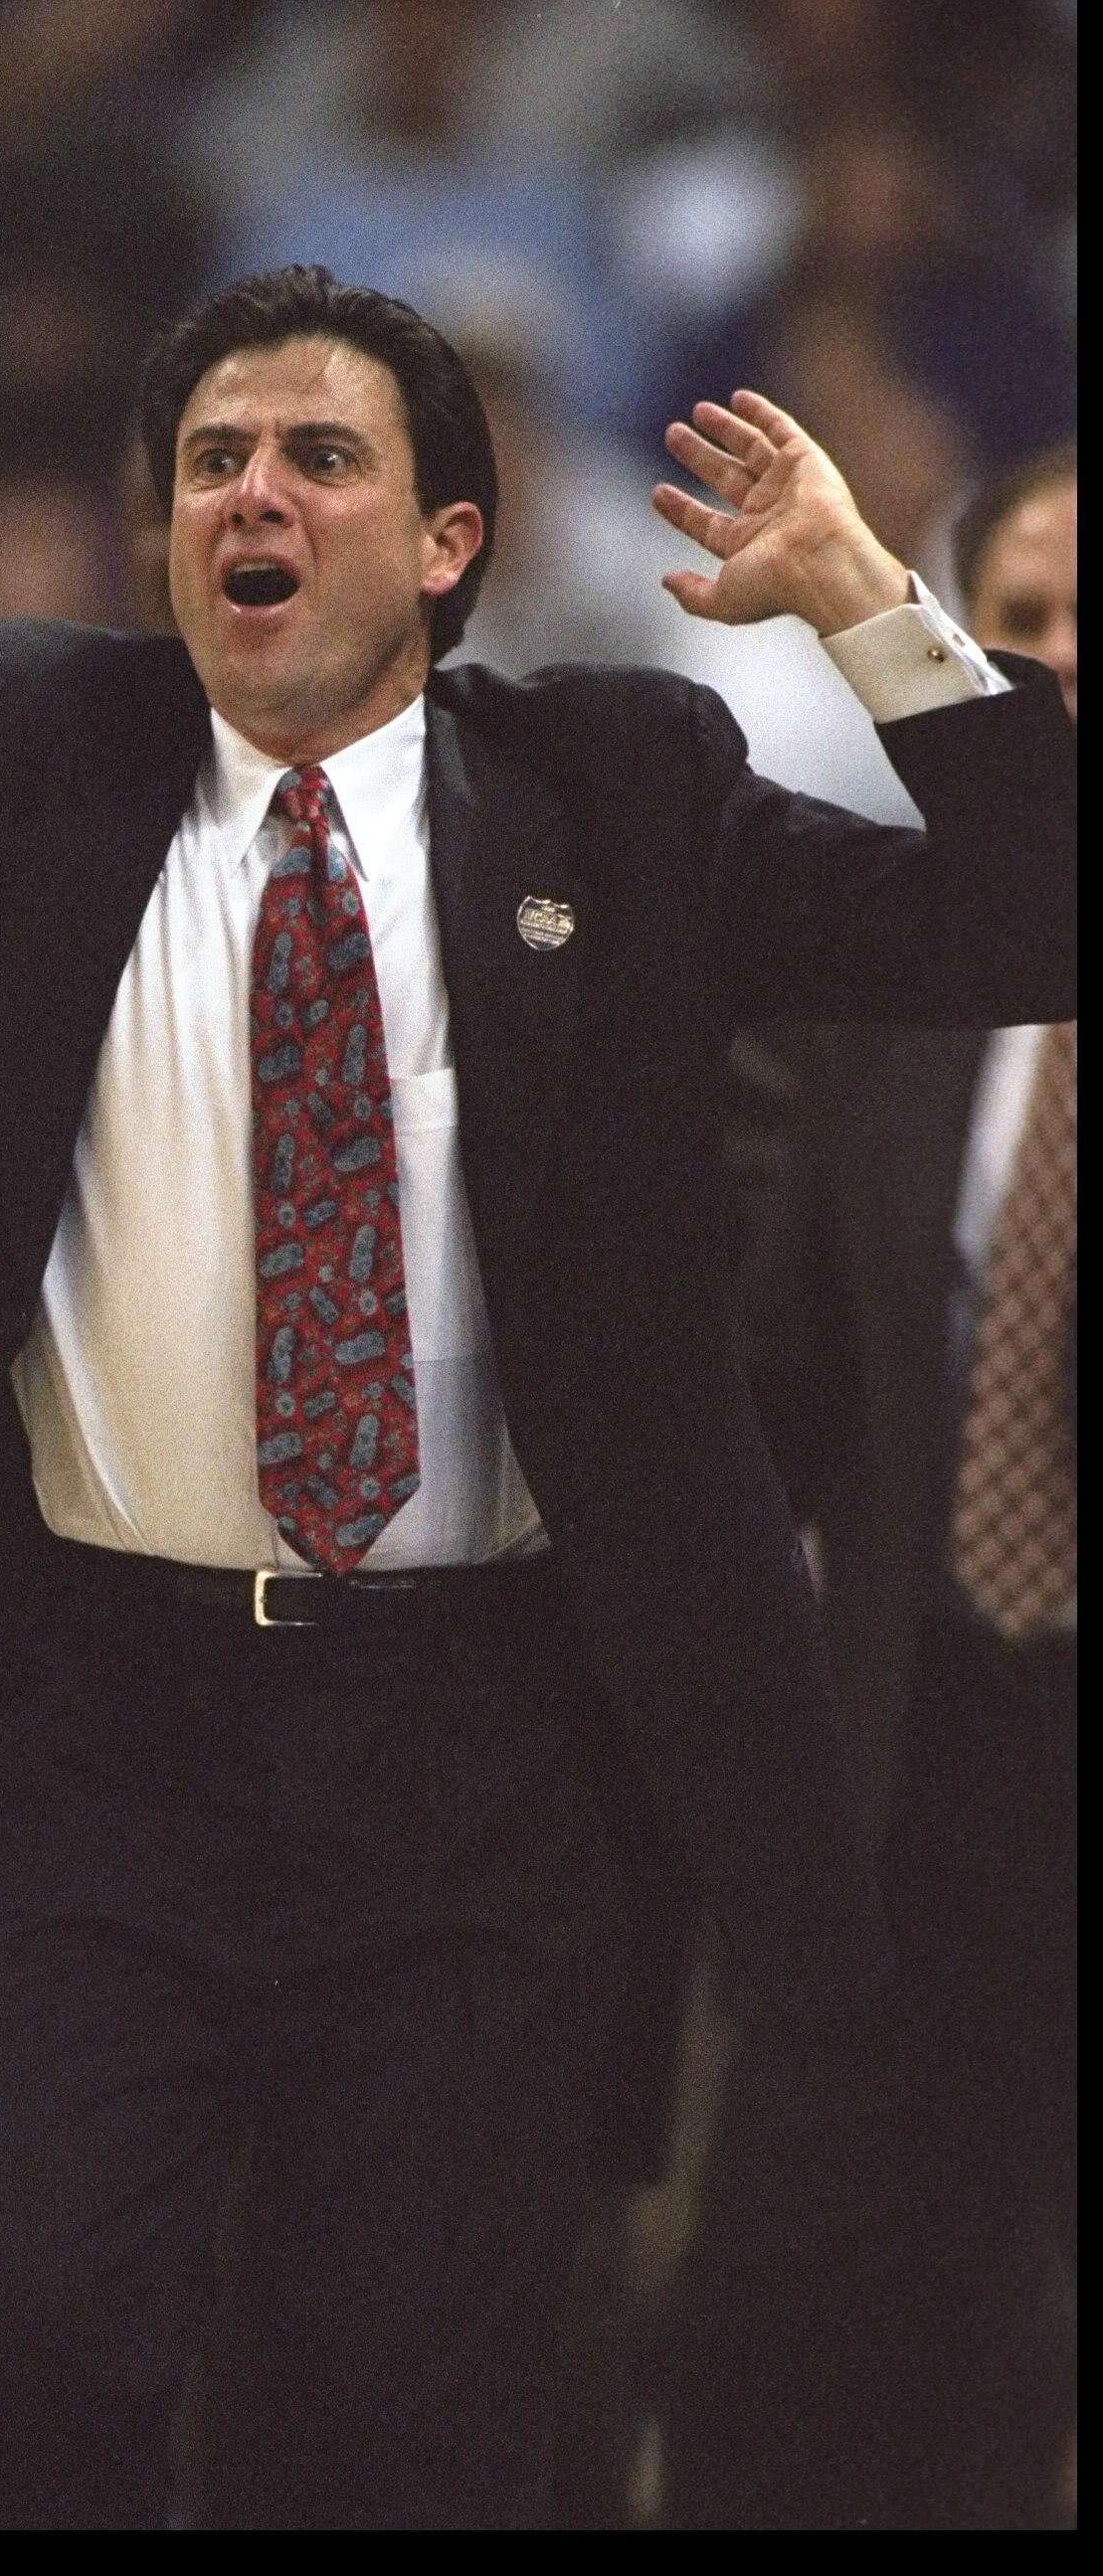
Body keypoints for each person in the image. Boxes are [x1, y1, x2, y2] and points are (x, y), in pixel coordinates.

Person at [0, 162, 1072, 2530]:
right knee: (15, 2340)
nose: (251, 494)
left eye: (317, 455)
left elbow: (1030, 914)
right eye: (211, 458)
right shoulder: (11, 754)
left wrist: (860, 599)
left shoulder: (613, 790)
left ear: (442, 542)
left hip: (482, 1742)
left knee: (395, 2425)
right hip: (106, 1719)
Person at [661, 440, 1077, 2531]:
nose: (1063, 663)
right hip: (908, 1756)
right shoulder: (873, 978)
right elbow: (753, 1388)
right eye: (1023, 622)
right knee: (773, 2354)